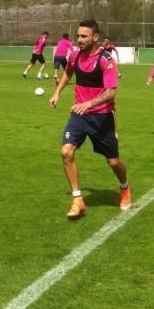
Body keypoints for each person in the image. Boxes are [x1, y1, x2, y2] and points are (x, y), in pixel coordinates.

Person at [48, 19, 130, 219]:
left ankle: (125, 188)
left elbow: (111, 92)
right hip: (79, 115)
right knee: (66, 152)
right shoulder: (74, 55)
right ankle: (78, 200)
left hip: (101, 116)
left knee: (113, 162)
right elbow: (67, 75)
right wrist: (57, 92)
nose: (80, 39)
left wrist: (89, 104)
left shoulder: (106, 59)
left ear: (95, 37)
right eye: (78, 36)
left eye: (84, 36)